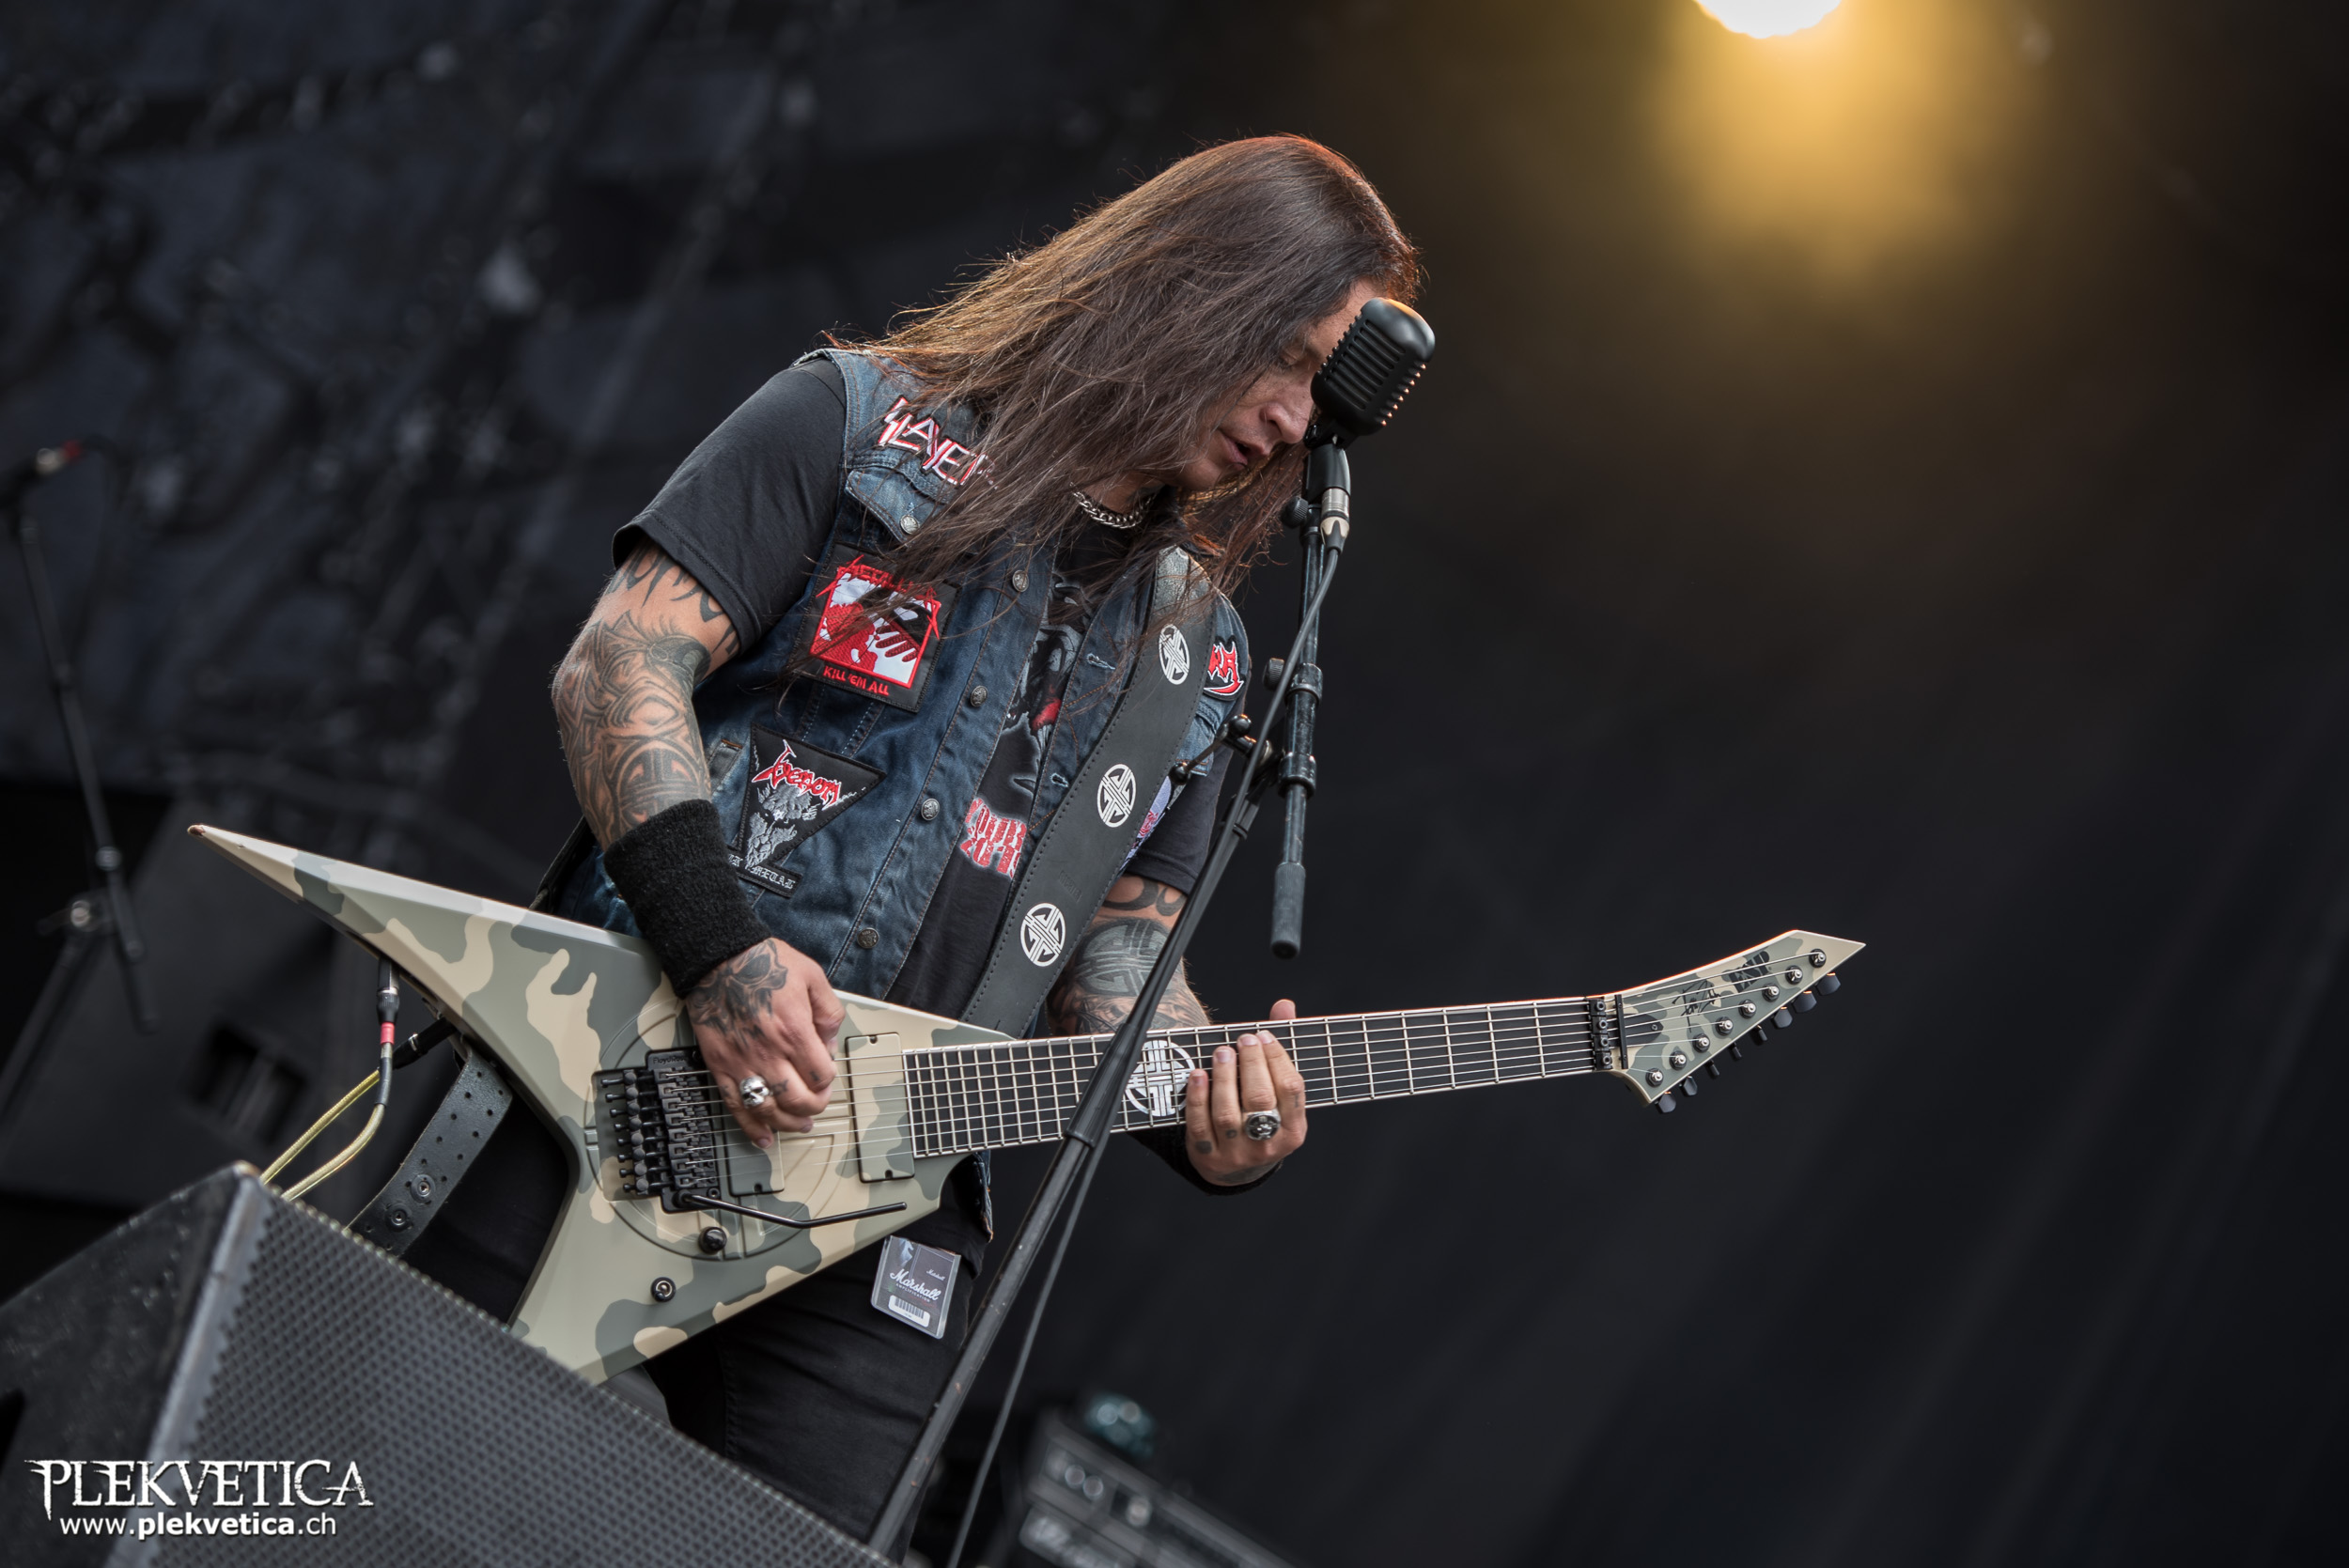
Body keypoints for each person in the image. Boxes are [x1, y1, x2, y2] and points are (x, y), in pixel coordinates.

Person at [418, 133, 1420, 1548]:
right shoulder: (852, 418)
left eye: (1326, 394)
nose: (1297, 420)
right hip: (618, 1076)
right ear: (1197, 288)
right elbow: (616, 666)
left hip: (892, 1206)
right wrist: (717, 953)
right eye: (1292, 360)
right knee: (388, 1473)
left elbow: (1117, 965)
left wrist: (1211, 1110)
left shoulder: (1196, 655)